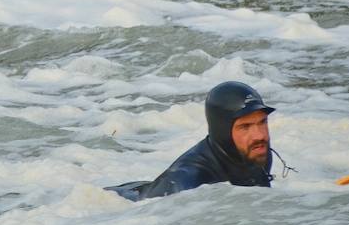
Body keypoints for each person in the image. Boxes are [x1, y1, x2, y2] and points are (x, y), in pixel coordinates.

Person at [106, 80, 289, 201]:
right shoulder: (189, 182)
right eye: (245, 126)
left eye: (262, 122)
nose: (259, 135)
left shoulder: (253, 152)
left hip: (143, 187)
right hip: (122, 202)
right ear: (223, 131)